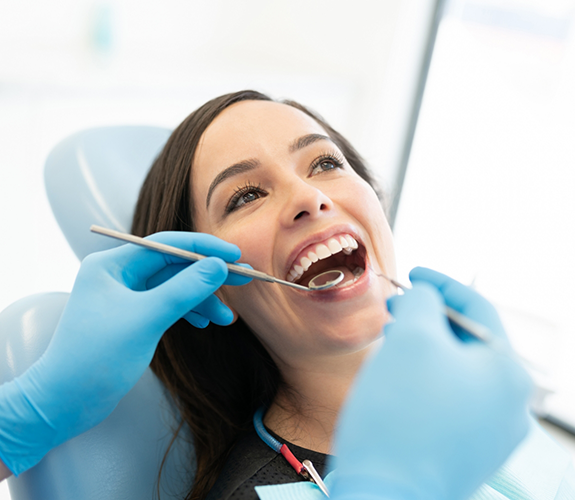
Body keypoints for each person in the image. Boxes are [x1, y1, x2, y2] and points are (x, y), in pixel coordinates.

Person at [0, 90, 532, 500]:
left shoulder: (485, 403)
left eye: (325, 163)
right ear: (215, 289)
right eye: (246, 196)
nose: (309, 196)